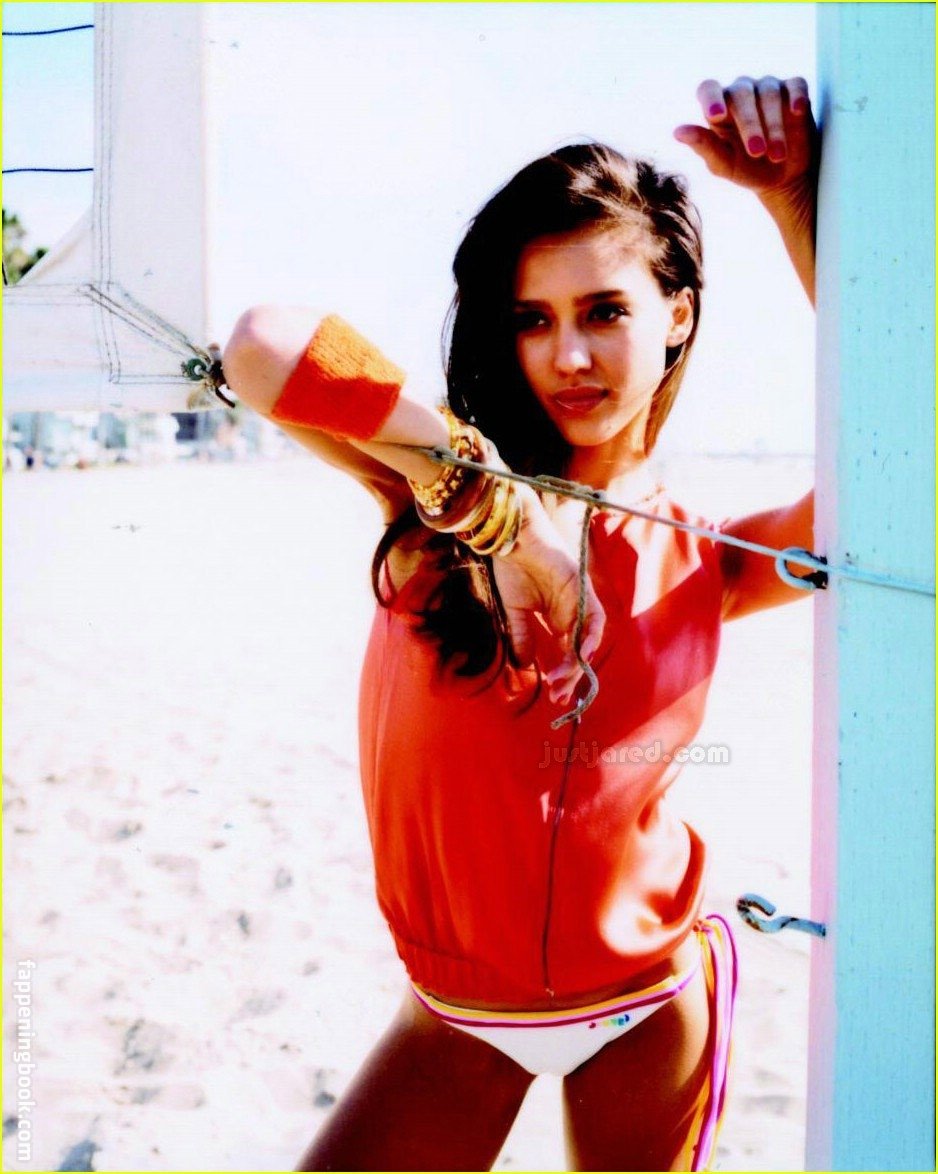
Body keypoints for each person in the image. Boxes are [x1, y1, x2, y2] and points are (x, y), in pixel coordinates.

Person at [223, 75, 817, 1173]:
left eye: (605, 311)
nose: (568, 356)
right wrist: (490, 504)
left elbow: (899, 466)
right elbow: (259, 345)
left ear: (677, 315)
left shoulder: (715, 556)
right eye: (532, 320)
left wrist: (790, 205)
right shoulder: (426, 493)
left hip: (651, 1006)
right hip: (456, 1019)